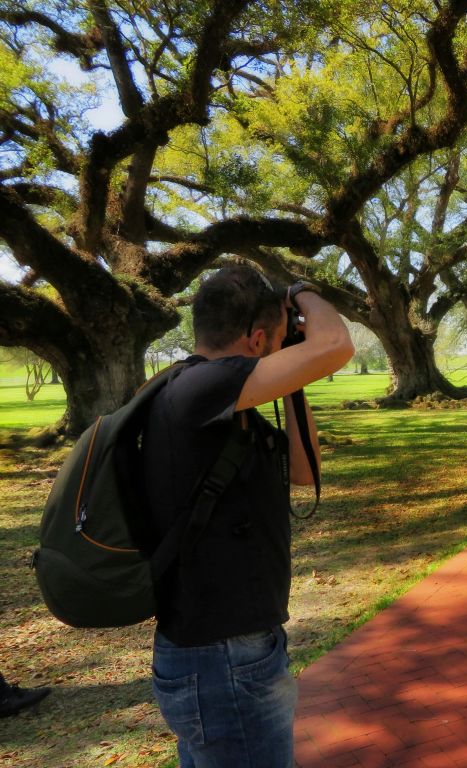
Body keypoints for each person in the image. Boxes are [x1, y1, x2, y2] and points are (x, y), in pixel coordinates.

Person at [141, 264, 353, 767]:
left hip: (228, 652)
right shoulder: (197, 389)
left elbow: (303, 471)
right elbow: (335, 346)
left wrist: (294, 378)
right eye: (280, 340)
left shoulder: (224, 409)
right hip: (224, 662)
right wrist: (301, 292)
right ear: (258, 340)